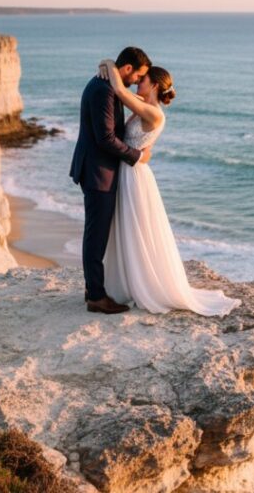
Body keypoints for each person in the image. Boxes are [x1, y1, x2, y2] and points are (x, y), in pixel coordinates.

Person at [96, 58, 241, 316]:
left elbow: (119, 90)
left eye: (143, 79)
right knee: (130, 229)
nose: (138, 81)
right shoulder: (145, 105)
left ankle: (144, 285)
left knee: (137, 228)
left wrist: (109, 63)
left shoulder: (153, 113)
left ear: (154, 85)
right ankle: (130, 282)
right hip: (130, 170)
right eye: (139, 77)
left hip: (134, 174)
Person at [70, 47, 152, 314]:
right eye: (138, 75)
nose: (138, 81)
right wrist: (136, 156)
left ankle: (92, 287)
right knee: (96, 235)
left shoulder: (107, 83)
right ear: (127, 69)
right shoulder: (104, 90)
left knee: (97, 232)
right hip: (98, 172)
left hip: (97, 168)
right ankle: (95, 296)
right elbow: (105, 138)